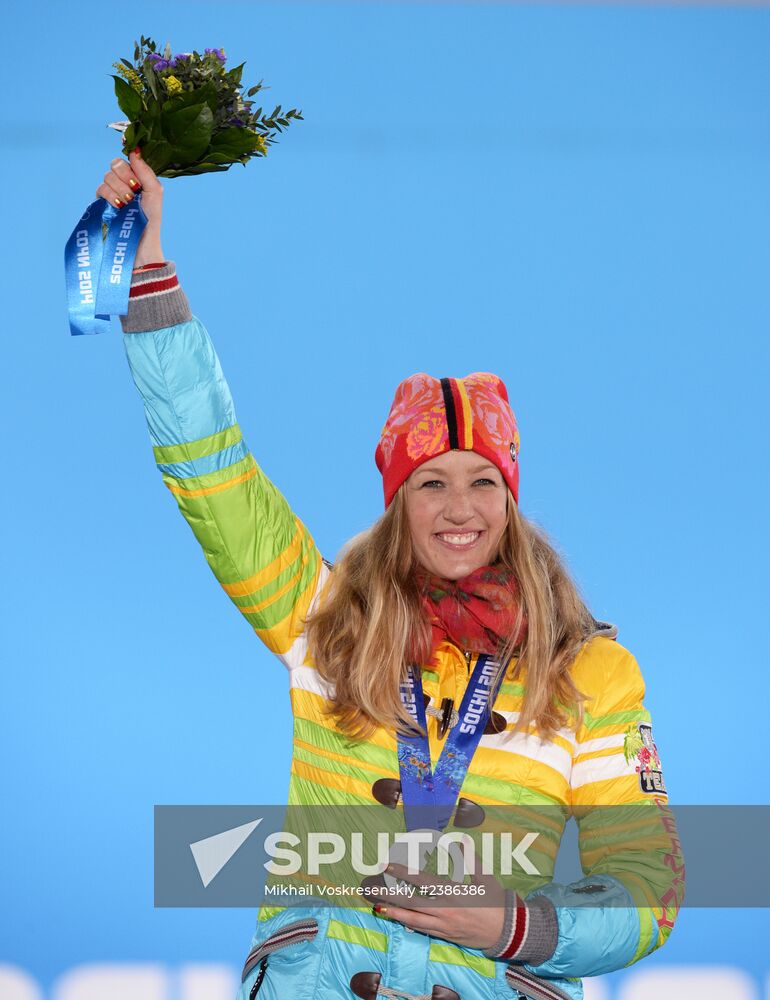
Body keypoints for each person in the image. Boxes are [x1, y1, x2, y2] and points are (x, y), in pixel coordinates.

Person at [95, 151, 684, 1000]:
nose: (460, 507)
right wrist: (150, 270)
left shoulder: (592, 672)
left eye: (484, 481)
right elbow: (209, 466)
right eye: (430, 483)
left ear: (511, 501)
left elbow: (646, 885)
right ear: (396, 501)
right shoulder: (322, 616)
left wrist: (517, 925)